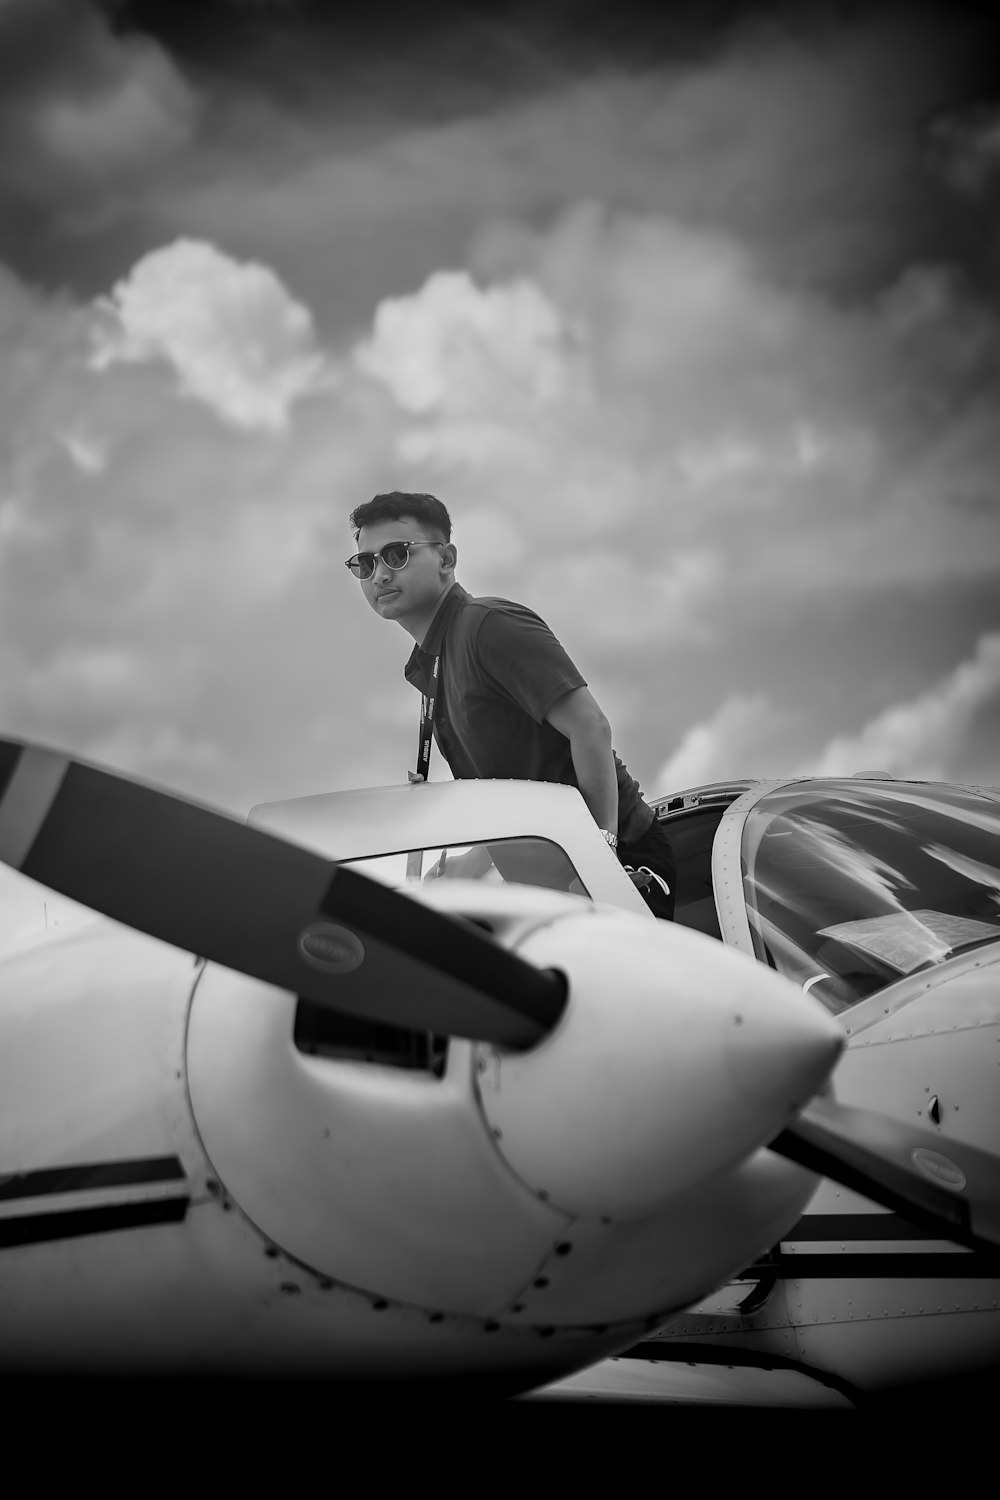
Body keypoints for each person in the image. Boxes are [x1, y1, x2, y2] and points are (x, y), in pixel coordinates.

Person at [345, 490, 675, 918]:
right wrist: (474, 860)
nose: (380, 575)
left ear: (446, 559)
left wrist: (600, 862)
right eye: (365, 564)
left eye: (396, 554)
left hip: (621, 862)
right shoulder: (435, 663)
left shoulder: (487, 625)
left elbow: (590, 726)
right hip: (556, 887)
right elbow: (507, 785)